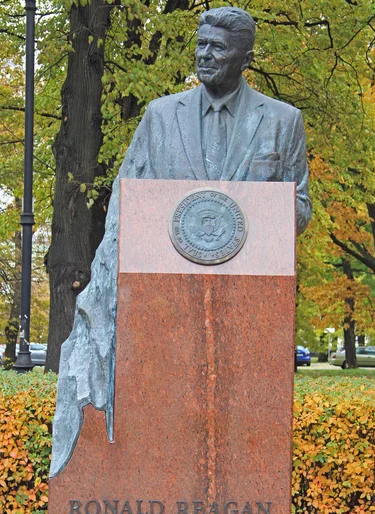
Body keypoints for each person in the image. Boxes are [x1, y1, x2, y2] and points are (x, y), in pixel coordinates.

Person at [50, 6, 311, 478]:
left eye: (217, 47)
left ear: (245, 57)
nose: (204, 55)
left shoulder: (283, 121)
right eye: (200, 45)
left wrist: (258, 208)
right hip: (162, 305)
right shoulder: (159, 116)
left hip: (246, 302)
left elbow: (301, 209)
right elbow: (127, 200)